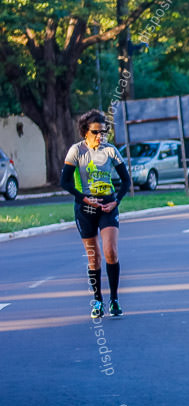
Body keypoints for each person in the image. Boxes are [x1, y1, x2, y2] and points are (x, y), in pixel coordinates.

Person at [61, 110, 132, 318]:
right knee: (94, 258)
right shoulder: (76, 151)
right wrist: (84, 198)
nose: (100, 136)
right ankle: (98, 301)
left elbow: (126, 181)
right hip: (85, 206)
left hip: (107, 205)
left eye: (104, 131)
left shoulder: (110, 151)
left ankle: (115, 299)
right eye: (96, 132)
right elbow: (64, 182)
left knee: (110, 251)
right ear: (85, 132)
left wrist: (116, 201)